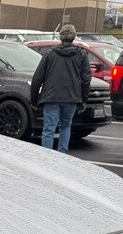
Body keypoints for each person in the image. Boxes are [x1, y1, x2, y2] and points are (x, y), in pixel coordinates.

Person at [30, 24, 91, 154]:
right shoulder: (81, 54)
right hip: (72, 98)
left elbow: (37, 78)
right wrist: (83, 99)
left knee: (48, 129)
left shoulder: (50, 54)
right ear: (74, 37)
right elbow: (86, 79)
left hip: (51, 96)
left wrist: (34, 99)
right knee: (65, 126)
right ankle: (62, 155)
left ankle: (47, 156)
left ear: (60, 36)